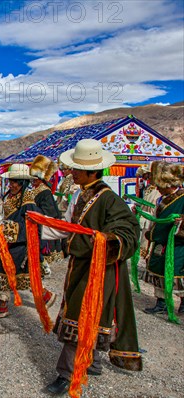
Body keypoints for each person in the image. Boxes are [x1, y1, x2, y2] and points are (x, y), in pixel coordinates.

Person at [44, 139, 142, 394]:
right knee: (94, 314)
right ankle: (93, 361)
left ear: (92, 171)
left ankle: (67, 374)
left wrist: (105, 241)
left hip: (100, 269)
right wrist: (34, 228)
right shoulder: (81, 194)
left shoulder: (109, 199)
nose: (71, 172)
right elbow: (68, 228)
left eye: (76, 168)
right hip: (82, 266)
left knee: (80, 316)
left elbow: (129, 231)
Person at [0, 164, 56, 318]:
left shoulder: (27, 201)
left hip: (20, 244)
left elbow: (29, 225)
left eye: (16, 182)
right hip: (11, 242)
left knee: (3, 272)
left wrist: (7, 230)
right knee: (27, 274)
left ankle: (1, 306)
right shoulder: (10, 196)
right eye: (11, 181)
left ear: (23, 183)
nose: (12, 184)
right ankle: (45, 296)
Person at [141, 161, 184, 316]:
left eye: (159, 184)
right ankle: (161, 303)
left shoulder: (182, 199)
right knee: (159, 270)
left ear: (167, 183)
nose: (156, 187)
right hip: (160, 242)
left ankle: (182, 303)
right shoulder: (162, 199)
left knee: (177, 273)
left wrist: (181, 222)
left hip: (177, 244)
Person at [29, 155, 63, 267]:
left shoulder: (45, 192)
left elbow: (50, 211)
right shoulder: (37, 190)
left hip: (43, 226)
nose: (32, 182)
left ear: (40, 178)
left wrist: (34, 211)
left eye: (34, 179)